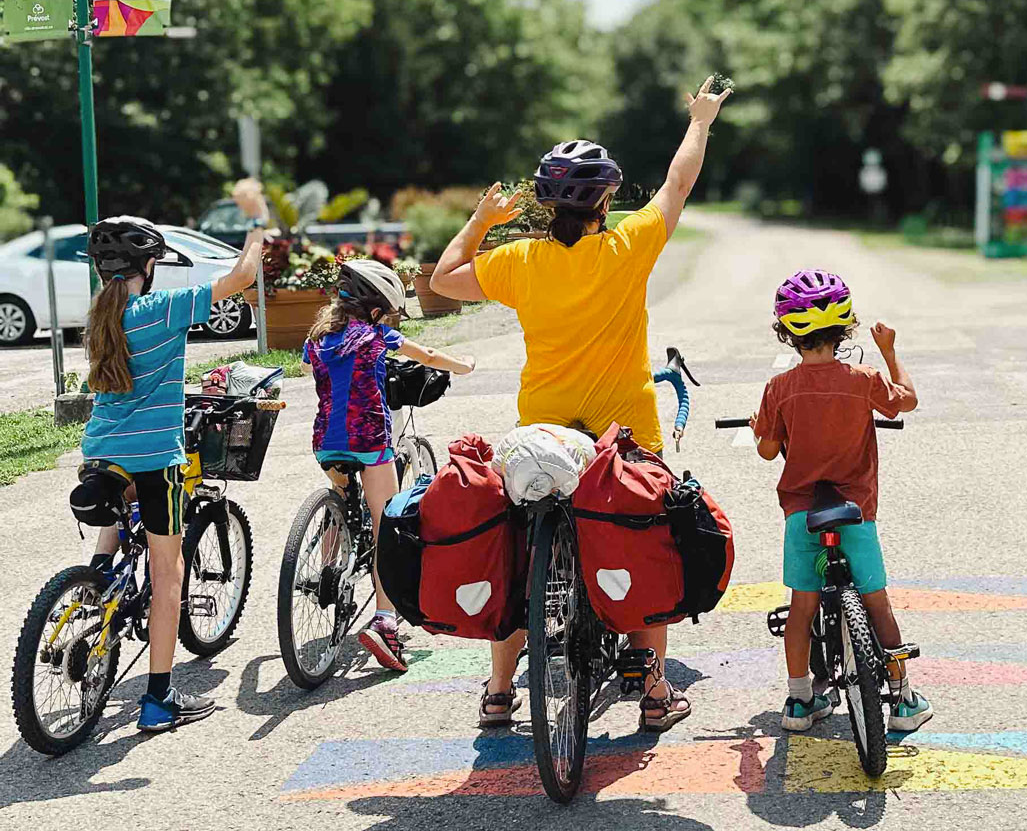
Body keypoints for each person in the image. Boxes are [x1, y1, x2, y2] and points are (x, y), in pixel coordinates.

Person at [429, 75, 731, 730]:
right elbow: (678, 184)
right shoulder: (626, 248)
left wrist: (483, 219)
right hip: (625, 430)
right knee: (648, 542)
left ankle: (500, 691)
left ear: (543, 202)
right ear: (605, 200)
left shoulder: (519, 262)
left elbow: (441, 279)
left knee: (520, 558)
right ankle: (653, 693)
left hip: (541, 429)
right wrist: (700, 121)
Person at [77, 179, 269, 732]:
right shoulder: (160, 310)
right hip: (154, 455)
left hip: (100, 451)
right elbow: (241, 278)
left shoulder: (98, 317)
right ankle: (158, 701)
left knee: (117, 516)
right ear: (149, 267)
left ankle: (95, 588)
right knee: (168, 576)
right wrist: (256, 224)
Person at [752, 269, 932, 734]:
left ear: (787, 332)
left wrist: (761, 427)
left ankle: (798, 701)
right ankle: (903, 698)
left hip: (802, 514)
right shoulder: (863, 379)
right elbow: (907, 400)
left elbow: (769, 450)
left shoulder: (780, 389)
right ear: (846, 327)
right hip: (857, 512)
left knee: (801, 608)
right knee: (878, 605)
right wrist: (890, 351)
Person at [303, 258, 475, 672]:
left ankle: (330, 563)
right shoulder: (378, 334)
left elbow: (312, 367)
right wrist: (464, 365)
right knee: (387, 527)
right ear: (376, 308)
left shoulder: (318, 338)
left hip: (326, 440)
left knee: (343, 499)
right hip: (369, 439)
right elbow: (428, 354)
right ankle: (384, 621)